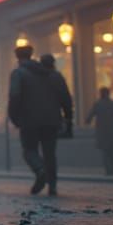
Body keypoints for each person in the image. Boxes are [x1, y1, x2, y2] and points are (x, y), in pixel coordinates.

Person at [9, 45, 72, 196]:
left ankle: (40, 170)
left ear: (18, 58)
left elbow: (15, 96)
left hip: (29, 119)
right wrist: (68, 117)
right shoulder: (49, 74)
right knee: (50, 153)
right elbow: (65, 97)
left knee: (29, 150)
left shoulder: (19, 73)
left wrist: (14, 117)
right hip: (51, 119)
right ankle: (53, 186)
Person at [87, 87, 113, 176]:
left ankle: (108, 170)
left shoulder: (98, 104)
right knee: (112, 151)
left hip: (102, 132)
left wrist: (87, 121)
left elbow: (89, 117)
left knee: (105, 151)